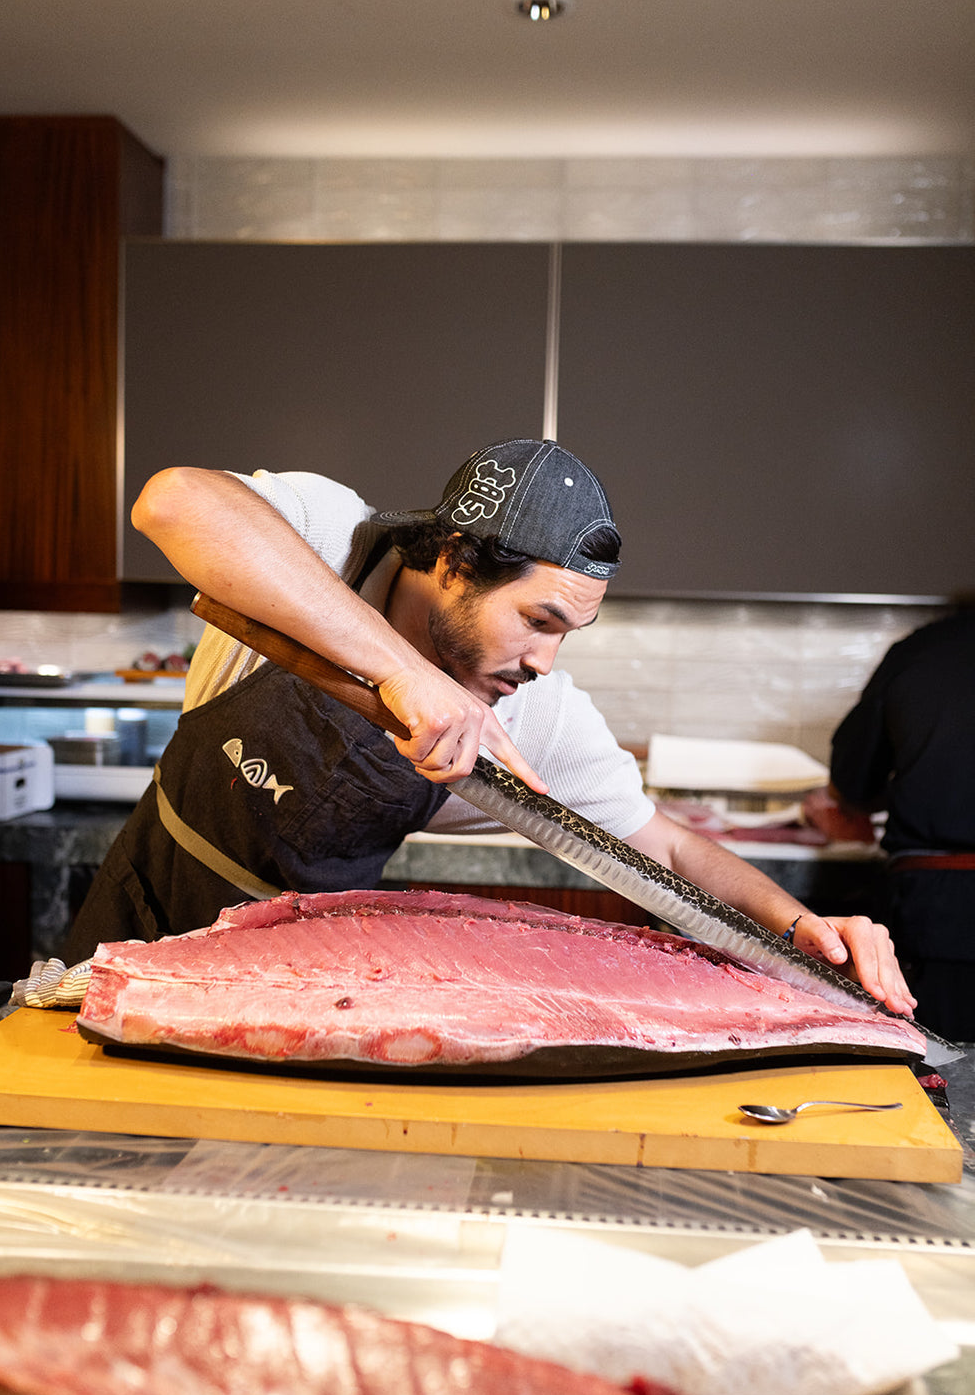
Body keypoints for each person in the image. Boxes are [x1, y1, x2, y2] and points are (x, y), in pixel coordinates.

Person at [65, 438, 912, 1015]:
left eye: (565, 635)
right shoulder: (330, 535)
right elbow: (173, 502)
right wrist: (406, 674)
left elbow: (672, 851)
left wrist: (800, 928)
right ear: (456, 559)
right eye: (537, 620)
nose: (544, 660)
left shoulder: (534, 711)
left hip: (285, 985)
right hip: (130, 921)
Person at [810, 603, 975, 1039]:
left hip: (945, 916)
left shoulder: (925, 650)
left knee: (942, 1077)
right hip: (942, 913)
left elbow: (853, 781)